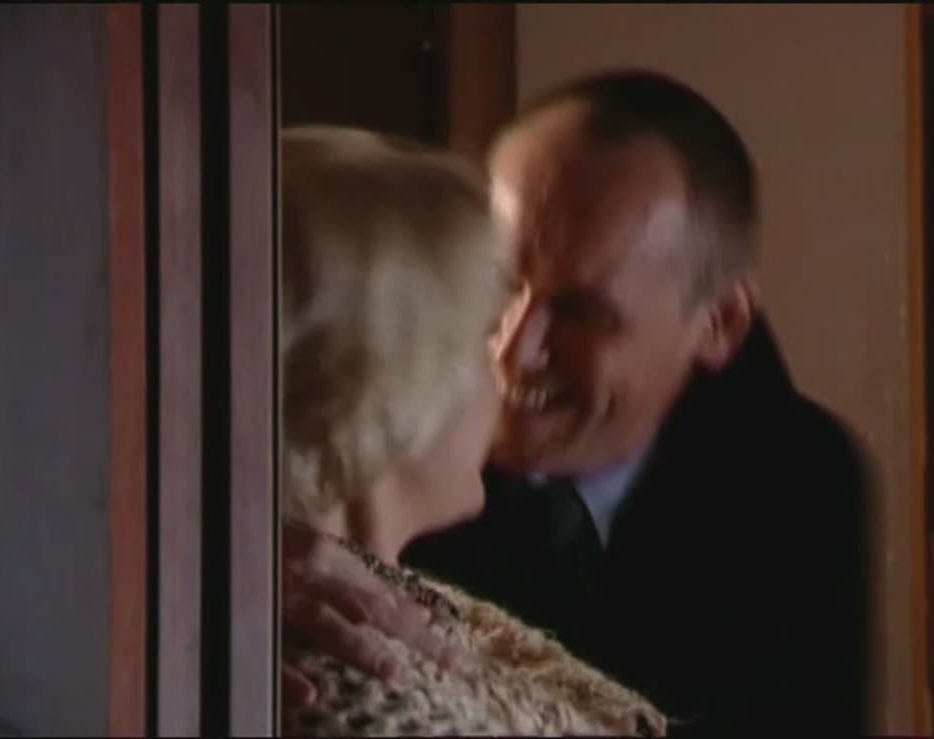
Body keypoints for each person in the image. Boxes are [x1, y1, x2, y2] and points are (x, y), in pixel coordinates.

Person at [397, 69, 870, 735]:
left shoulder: (801, 484)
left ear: (720, 323)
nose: (514, 350)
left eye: (581, 312)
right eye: (500, 284)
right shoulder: (386, 433)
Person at [276, 124, 666, 736]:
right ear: (386, 384)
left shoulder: (418, 605)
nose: (505, 372)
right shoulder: (359, 697)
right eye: (484, 335)